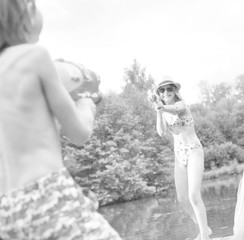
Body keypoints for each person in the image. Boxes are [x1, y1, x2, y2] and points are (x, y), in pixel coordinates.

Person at [0, 1, 121, 239]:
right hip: (46, 192)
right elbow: (79, 133)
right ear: (23, 13)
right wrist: (86, 105)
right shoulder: (34, 56)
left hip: (6, 210)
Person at [149, 78, 211, 240]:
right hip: (179, 154)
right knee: (182, 199)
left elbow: (177, 109)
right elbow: (161, 132)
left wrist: (161, 106)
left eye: (169, 89)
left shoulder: (181, 105)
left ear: (175, 91)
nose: (166, 92)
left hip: (193, 151)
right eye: (161, 91)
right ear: (159, 94)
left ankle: (204, 236)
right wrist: (158, 111)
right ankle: (204, 228)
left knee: (193, 195)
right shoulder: (163, 111)